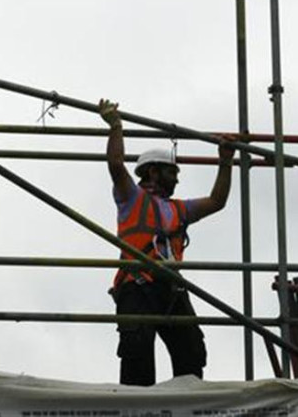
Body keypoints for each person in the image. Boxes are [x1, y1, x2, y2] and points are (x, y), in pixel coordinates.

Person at [98, 98, 236, 386]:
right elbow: (115, 165)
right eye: (171, 171)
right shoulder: (131, 198)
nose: (176, 178)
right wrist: (116, 126)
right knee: (138, 359)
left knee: (192, 354)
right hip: (136, 286)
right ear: (152, 172)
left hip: (169, 287)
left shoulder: (178, 209)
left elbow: (216, 201)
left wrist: (225, 161)